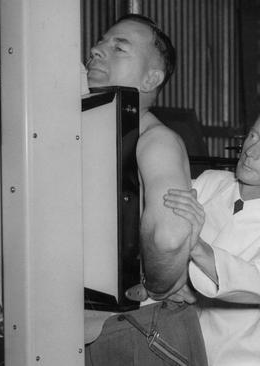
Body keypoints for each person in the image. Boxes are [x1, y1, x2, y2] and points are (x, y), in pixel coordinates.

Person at [83, 14, 208, 366]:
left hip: (140, 330)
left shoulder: (156, 141)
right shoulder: (91, 134)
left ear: (151, 78)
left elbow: (169, 235)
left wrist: (157, 287)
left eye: (118, 47)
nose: (96, 49)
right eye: (100, 43)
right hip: (87, 329)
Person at [163, 103, 260, 366]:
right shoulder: (210, 183)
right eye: (253, 136)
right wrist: (169, 283)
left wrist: (196, 247)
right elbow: (159, 222)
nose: (251, 151)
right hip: (177, 345)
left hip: (244, 357)